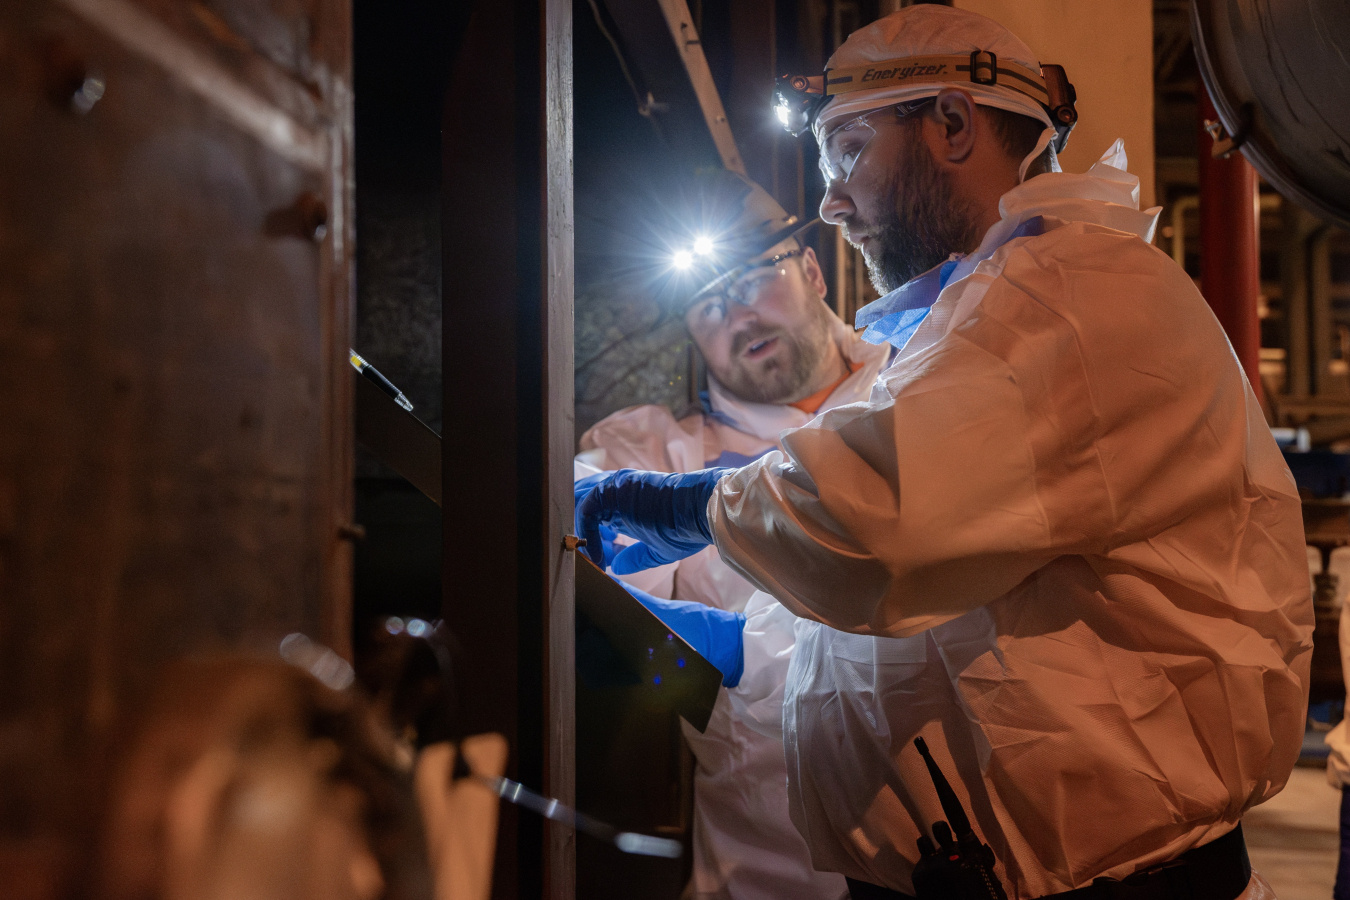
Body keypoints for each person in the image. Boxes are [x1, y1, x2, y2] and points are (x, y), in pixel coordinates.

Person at [576, 7, 1313, 900]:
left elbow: (880, 517)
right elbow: (965, 593)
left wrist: (690, 508)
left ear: (953, 125)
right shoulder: (981, 312)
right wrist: (757, 639)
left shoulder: (1068, 296)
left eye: (847, 150)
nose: (832, 201)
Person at [576, 172, 889, 900]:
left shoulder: (915, 386)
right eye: (706, 304)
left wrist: (747, 650)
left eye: (752, 277)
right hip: (767, 876)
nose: (735, 314)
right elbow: (574, 530)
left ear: (811, 269)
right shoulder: (657, 454)